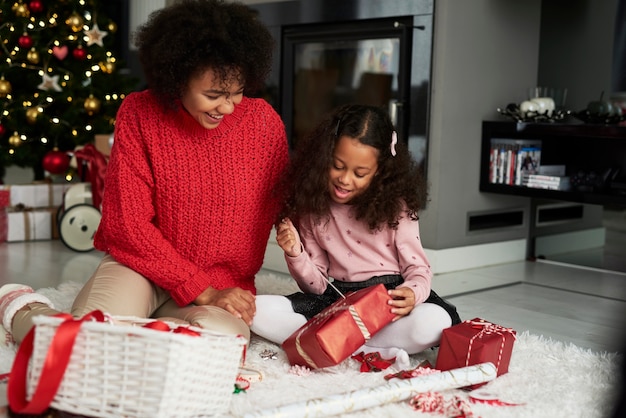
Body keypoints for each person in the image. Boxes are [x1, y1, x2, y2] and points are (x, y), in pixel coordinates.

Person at [0, 0, 289, 347]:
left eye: (237, 93)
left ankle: (139, 329)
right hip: (141, 270)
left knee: (217, 346)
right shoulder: (140, 113)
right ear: (178, 78)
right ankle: (23, 310)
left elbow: (287, 205)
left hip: (222, 280)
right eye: (214, 95)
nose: (227, 108)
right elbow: (127, 224)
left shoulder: (264, 124)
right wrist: (201, 289)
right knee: (86, 342)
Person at [251, 104, 461, 369]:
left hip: (388, 302)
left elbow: (418, 269)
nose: (345, 180)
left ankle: (346, 344)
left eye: (360, 173)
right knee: (255, 310)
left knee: (434, 321)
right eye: (337, 166)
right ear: (324, 156)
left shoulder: (398, 206)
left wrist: (412, 293)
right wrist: (296, 253)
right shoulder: (312, 206)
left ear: (381, 171)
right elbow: (315, 287)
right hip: (339, 300)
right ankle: (366, 345)